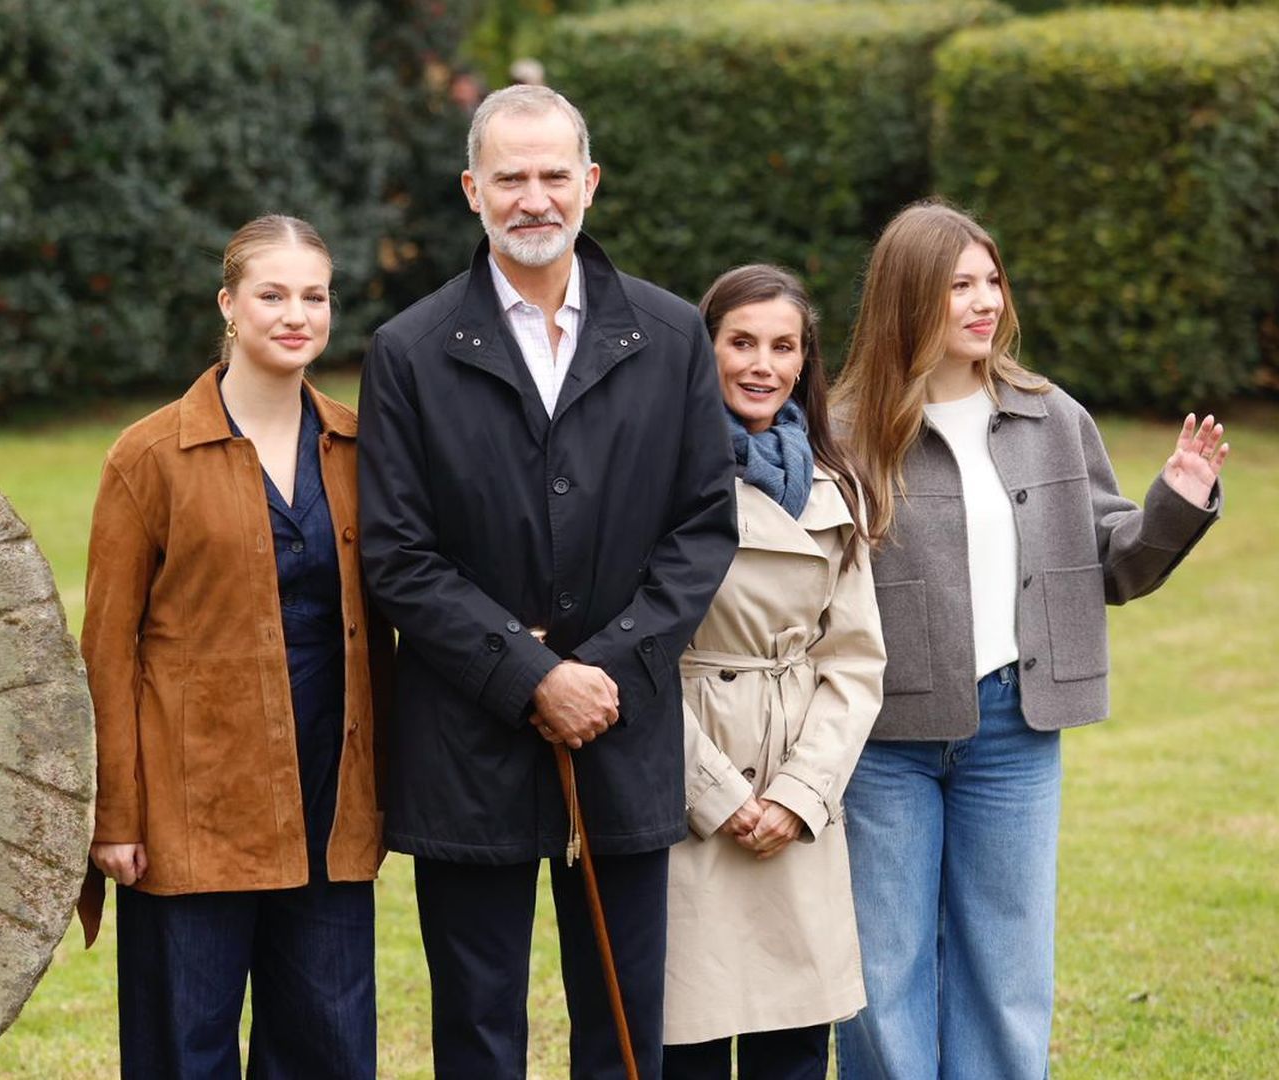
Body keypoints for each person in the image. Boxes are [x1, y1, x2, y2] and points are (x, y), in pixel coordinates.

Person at [357, 84, 739, 1078]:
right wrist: (530, 674)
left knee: (621, 1021)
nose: (535, 198)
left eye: (554, 175)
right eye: (511, 177)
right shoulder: (408, 350)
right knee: (478, 1030)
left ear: (591, 184)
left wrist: (604, 671)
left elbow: (703, 527)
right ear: (472, 189)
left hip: (622, 725)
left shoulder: (668, 335)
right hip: (467, 740)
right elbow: (398, 552)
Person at [830, 200, 1227, 1080]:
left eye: (991, 281)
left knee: (1008, 976)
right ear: (906, 298)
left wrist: (1176, 502)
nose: (984, 302)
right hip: (880, 743)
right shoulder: (846, 428)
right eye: (956, 286)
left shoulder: (1052, 417)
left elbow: (1115, 565)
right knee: (879, 974)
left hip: (1014, 731)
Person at [79, 214, 390, 1079]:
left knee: (327, 1045)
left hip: (329, 795)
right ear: (229, 304)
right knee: (186, 1047)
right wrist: (116, 817)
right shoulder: (150, 456)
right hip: (191, 804)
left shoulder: (360, 447)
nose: (297, 314)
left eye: (315, 296)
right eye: (273, 294)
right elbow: (107, 648)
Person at [660, 265, 887, 1079]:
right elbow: (637, 654)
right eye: (742, 342)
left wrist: (797, 796)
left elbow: (855, 663)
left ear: (804, 361)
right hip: (690, 784)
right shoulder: (659, 479)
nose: (763, 364)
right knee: (684, 1039)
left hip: (797, 794)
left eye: (783, 346)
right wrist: (721, 798)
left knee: (792, 1046)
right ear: (704, 349)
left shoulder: (835, 484)